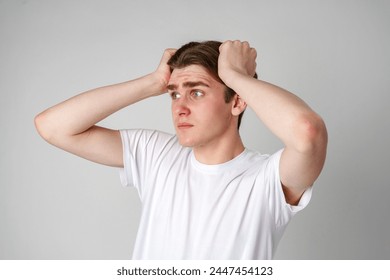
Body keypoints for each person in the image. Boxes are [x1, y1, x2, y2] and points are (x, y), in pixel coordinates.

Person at [35, 40, 327, 259]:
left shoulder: (268, 180)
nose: (180, 107)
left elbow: (307, 133)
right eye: (174, 94)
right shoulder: (155, 154)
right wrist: (153, 83)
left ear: (237, 102)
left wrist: (236, 75)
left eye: (197, 92)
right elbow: (53, 127)